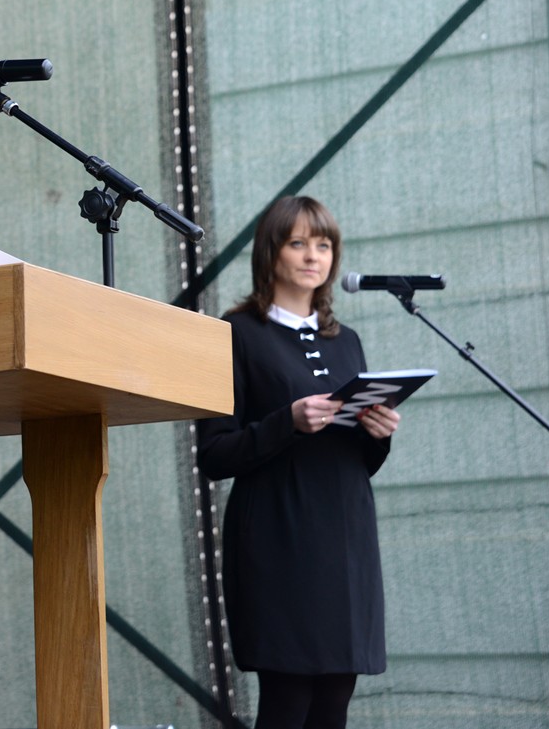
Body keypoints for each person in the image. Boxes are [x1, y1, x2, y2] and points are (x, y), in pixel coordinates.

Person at [196, 195, 400, 729]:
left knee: (335, 698)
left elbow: (355, 460)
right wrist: (286, 421)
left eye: (324, 245)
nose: (314, 256)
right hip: (278, 536)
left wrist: (378, 436)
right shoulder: (235, 333)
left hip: (346, 537)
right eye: (298, 243)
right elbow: (214, 454)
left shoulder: (347, 342)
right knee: (288, 698)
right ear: (271, 252)